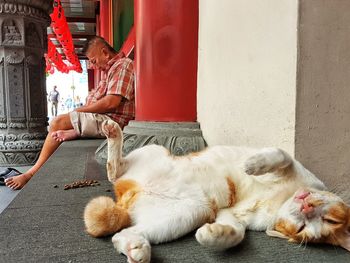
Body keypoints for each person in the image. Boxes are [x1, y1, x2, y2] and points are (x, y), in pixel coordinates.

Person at [5, 36, 135, 190]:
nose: (94, 66)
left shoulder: (122, 65)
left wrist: (77, 111)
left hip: (112, 123)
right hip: (102, 119)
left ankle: (31, 173)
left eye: (93, 61)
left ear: (105, 53)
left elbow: (110, 102)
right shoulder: (111, 70)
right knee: (62, 123)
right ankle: (77, 131)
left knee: (57, 123)